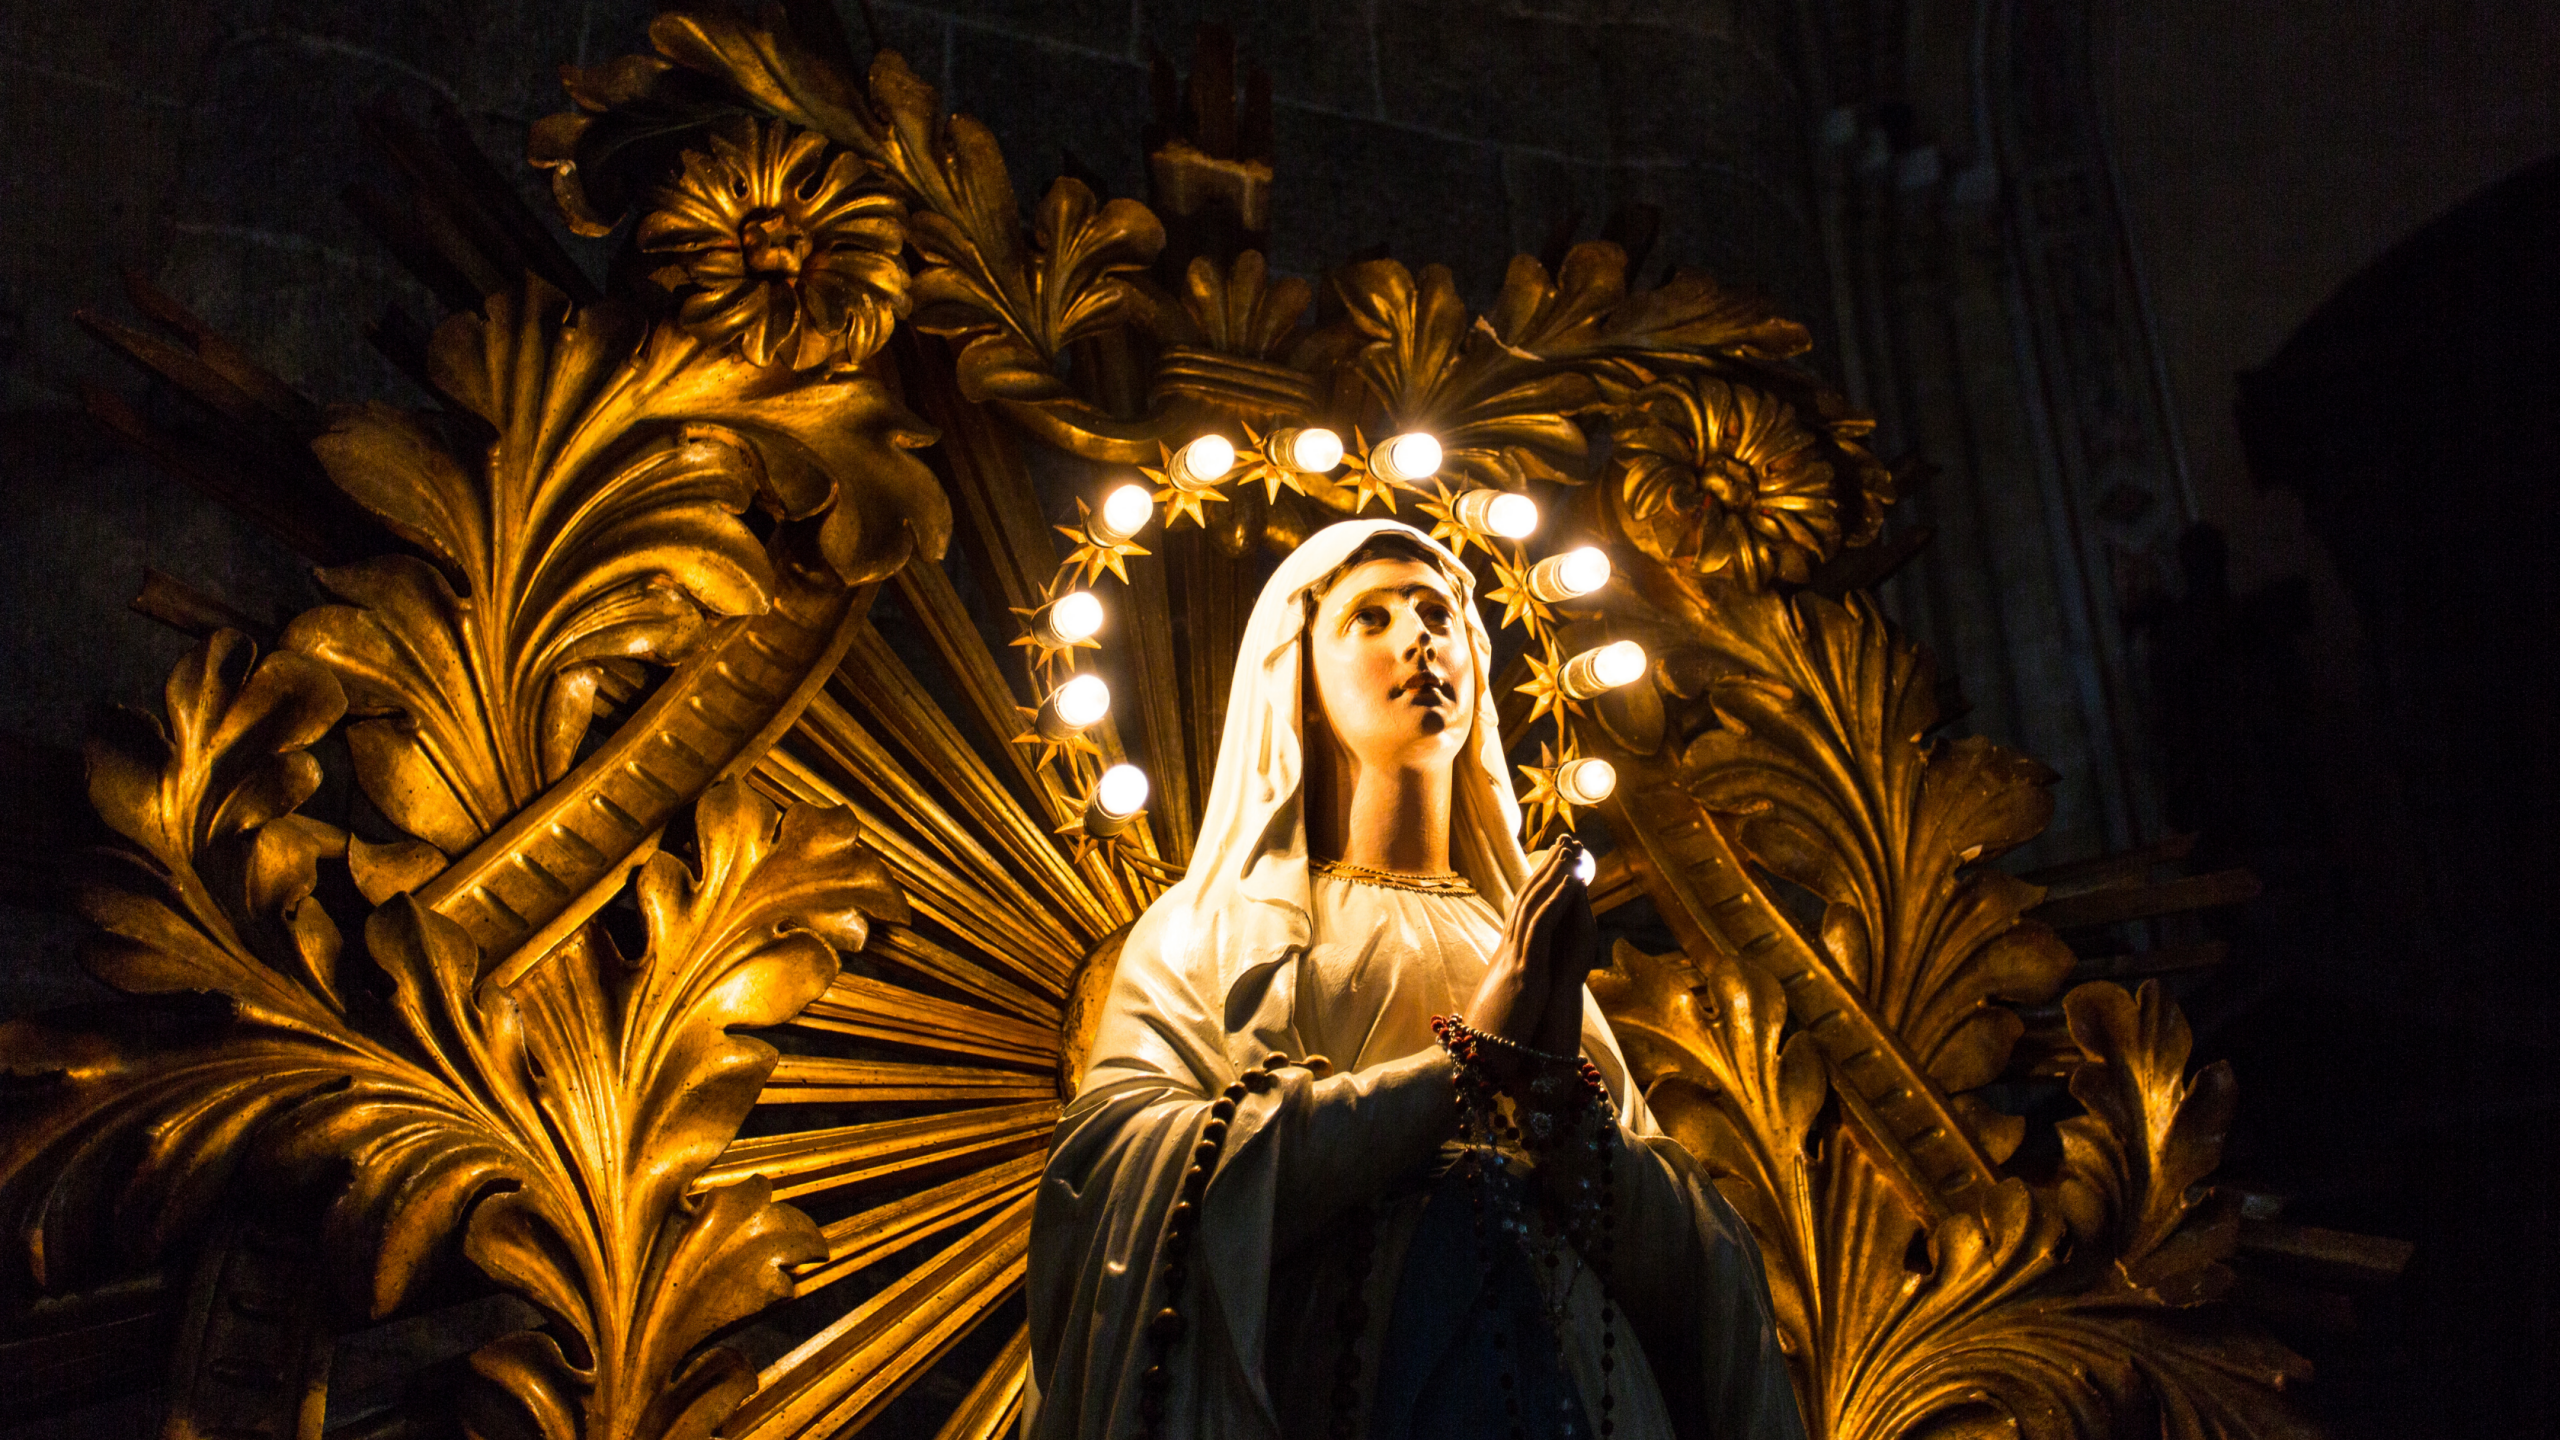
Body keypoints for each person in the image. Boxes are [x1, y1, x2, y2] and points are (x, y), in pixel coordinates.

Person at [1026, 519, 1805, 1440]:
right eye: (1371, 616)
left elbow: (1691, 1264)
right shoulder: (1217, 932)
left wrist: (1559, 1107)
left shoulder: (1515, 938)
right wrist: (1458, 1069)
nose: (1419, 638)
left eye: (1439, 613)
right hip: (1350, 1379)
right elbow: (1118, 1177)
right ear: (1298, 679)